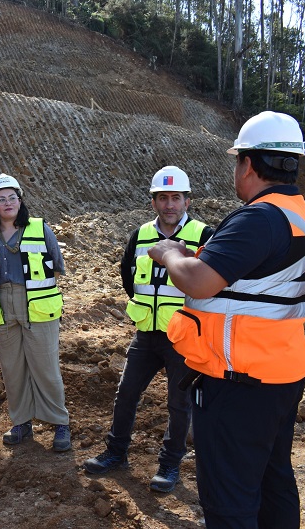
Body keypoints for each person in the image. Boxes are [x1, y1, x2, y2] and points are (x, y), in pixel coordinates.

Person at [147, 111, 305, 528]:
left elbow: (201, 283)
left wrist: (169, 253)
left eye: (237, 160)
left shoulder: (260, 217)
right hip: (278, 374)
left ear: (249, 163)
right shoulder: (295, 213)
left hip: (240, 384)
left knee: (230, 500)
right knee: (273, 481)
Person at [83, 166, 213, 491]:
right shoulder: (140, 235)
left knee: (179, 403)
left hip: (183, 338)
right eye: (163, 198)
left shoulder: (203, 236)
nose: (169, 204)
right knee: (126, 393)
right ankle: (116, 453)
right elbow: (128, 277)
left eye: (176, 198)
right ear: (153, 202)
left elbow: (213, 285)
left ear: (186, 201)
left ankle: (169, 466)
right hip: (146, 334)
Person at [0, 173, 71, 452]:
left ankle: (60, 423)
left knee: (46, 368)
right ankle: (21, 422)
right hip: (2, 305)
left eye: (12, 198)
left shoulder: (41, 229)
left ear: (20, 201)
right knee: (12, 368)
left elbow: (57, 266)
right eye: (1, 199)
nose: (7, 203)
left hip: (38, 304)